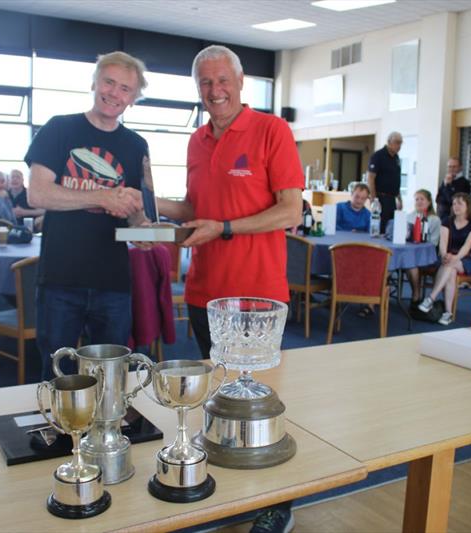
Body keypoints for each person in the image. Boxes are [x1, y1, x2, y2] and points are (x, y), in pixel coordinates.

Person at [156, 44, 302, 533]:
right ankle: (229, 499)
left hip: (258, 294)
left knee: (260, 406)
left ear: (241, 83)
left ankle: (275, 505)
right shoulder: (197, 141)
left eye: (223, 81)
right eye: (205, 83)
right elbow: (197, 209)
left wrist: (226, 228)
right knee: (218, 403)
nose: (215, 91)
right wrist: (147, 202)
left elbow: (290, 211)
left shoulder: (271, 131)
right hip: (204, 292)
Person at [25, 51, 146, 380]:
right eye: (108, 82)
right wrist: (102, 196)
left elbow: (135, 215)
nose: (114, 93)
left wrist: (146, 230)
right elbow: (37, 193)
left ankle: (106, 432)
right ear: (94, 83)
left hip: (113, 282)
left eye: (125, 89)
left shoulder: (137, 145)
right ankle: (59, 431)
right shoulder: (59, 129)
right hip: (61, 279)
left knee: (111, 377)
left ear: (133, 98)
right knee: (57, 374)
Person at [418, 193, 471, 326]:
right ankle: (448, 313)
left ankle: (431, 298)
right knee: (450, 270)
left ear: (467, 206)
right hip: (448, 257)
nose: (456, 206)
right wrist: (445, 254)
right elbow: (443, 243)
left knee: (450, 264)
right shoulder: (447, 221)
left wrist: (455, 257)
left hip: (467, 259)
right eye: (454, 203)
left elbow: (467, 246)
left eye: (460, 203)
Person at [405, 189, 441, 305]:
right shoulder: (409, 216)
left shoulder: (434, 220)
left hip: (427, 255)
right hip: (410, 253)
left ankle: (416, 295)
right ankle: (416, 293)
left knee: (412, 264)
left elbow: (434, 242)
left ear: (429, 202)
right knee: (410, 265)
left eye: (422, 199)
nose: (419, 202)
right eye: (417, 199)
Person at [367, 131, 403, 234]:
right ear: (389, 142)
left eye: (400, 143)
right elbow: (370, 178)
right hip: (380, 198)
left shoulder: (396, 158)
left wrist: (399, 199)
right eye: (397, 142)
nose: (399, 146)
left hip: (392, 199)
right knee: (380, 227)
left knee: (391, 228)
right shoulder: (378, 156)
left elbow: (396, 179)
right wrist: (374, 200)